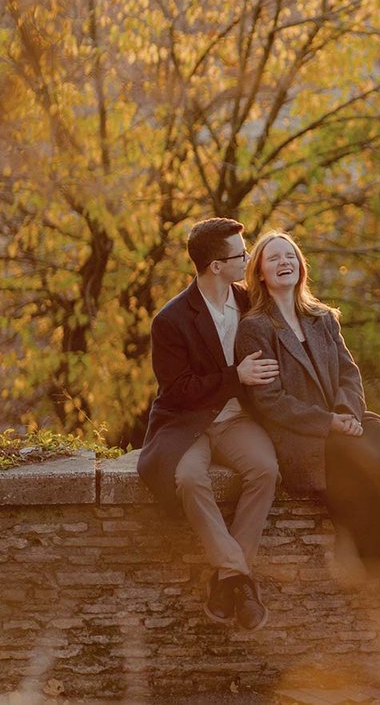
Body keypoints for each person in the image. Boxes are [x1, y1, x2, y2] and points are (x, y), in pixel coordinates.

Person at [233, 230, 380, 612]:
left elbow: (349, 373)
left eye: (290, 256)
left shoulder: (323, 318)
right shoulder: (255, 328)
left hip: (346, 419)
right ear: (259, 273)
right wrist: (328, 422)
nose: (283, 262)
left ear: (301, 266)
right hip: (302, 436)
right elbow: (269, 402)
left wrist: (345, 412)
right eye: (273, 258)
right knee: (373, 468)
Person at [137, 216, 283, 630]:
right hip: (187, 423)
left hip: (237, 420)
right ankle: (240, 575)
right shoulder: (170, 320)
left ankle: (226, 579)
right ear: (216, 266)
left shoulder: (251, 303)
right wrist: (236, 376)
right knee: (188, 478)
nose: (248, 259)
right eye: (241, 255)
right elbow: (178, 390)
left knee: (266, 469)